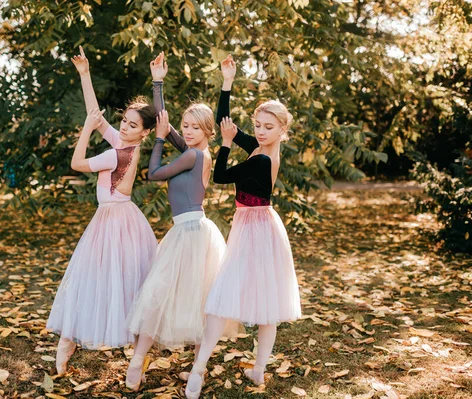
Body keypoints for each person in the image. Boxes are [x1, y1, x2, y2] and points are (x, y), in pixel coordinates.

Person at [184, 55, 302, 398]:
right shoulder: (260, 148)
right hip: (255, 223)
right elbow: (227, 123)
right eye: (259, 125)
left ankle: (203, 370)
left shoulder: (264, 158)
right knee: (254, 300)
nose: (261, 131)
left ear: (282, 130)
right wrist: (227, 82)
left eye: (268, 127)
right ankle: (249, 370)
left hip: (256, 229)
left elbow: (220, 176)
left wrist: (223, 143)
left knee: (228, 297)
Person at [125, 52, 237, 391]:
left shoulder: (194, 153)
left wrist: (159, 139)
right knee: (165, 293)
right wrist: (157, 79)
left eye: (193, 128)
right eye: (184, 127)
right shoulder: (192, 148)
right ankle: (137, 361)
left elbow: (154, 173)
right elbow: (163, 119)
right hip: (185, 230)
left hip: (193, 233)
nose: (186, 132)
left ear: (206, 132)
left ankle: (195, 371)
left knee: (180, 296)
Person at [46, 47, 158, 374]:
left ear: (145, 132)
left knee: (97, 279)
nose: (123, 127)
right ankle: (81, 342)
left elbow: (77, 163)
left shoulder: (118, 155)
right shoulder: (126, 145)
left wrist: (85, 128)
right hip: (119, 218)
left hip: (114, 222)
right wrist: (85, 74)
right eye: (124, 120)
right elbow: (99, 117)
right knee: (118, 281)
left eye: (132, 124)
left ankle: (76, 341)